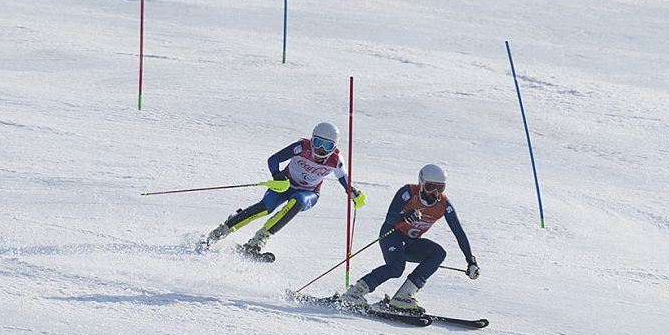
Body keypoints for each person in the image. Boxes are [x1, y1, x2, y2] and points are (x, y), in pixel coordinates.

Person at [202, 122, 366, 259]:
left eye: (327, 146)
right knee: (266, 206)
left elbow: (344, 179)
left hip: (309, 193)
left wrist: (352, 192)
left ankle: (258, 241)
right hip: (286, 185)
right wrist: (277, 176)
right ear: (312, 140)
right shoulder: (302, 147)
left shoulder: (336, 160)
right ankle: (219, 233)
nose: (321, 149)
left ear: (334, 147)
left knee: (298, 201)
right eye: (317, 143)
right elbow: (274, 159)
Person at [340, 164, 480, 313]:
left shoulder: (444, 204)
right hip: (392, 235)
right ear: (421, 183)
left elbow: (458, 232)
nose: (434, 193)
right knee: (396, 267)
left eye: (439, 188)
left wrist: (470, 261)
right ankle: (355, 292)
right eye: (430, 186)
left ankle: (403, 296)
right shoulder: (408, 192)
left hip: (410, 242)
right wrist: (404, 217)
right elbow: (389, 218)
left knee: (438, 253)